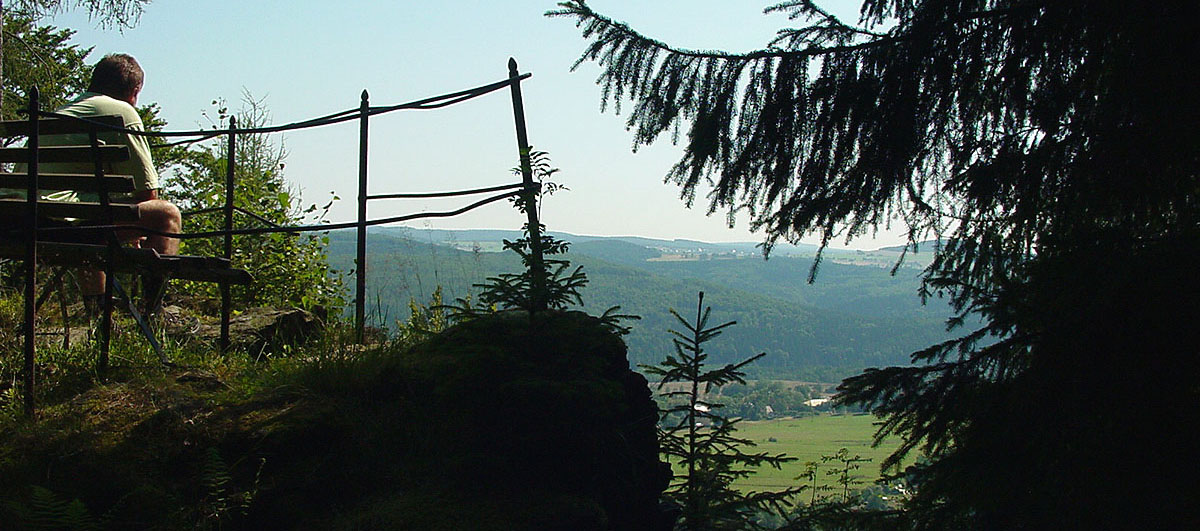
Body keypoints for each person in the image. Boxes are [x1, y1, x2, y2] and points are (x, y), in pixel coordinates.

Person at [42, 54, 181, 311]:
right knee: (167, 216)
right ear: (134, 91)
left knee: (92, 213)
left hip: (27, 221)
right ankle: (153, 310)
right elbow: (148, 192)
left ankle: (98, 308)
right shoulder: (121, 112)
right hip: (69, 226)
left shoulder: (60, 113)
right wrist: (138, 225)